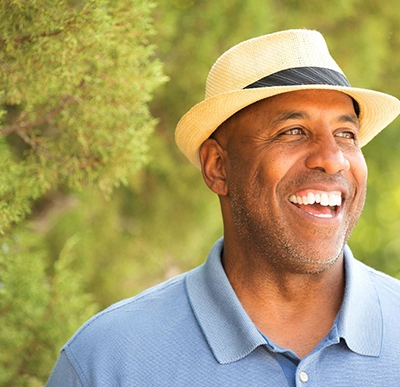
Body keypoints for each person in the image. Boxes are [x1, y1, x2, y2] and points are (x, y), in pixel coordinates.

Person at [46, 29, 400, 386]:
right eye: (293, 131)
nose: (332, 159)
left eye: (346, 134)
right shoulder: (107, 360)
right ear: (217, 166)